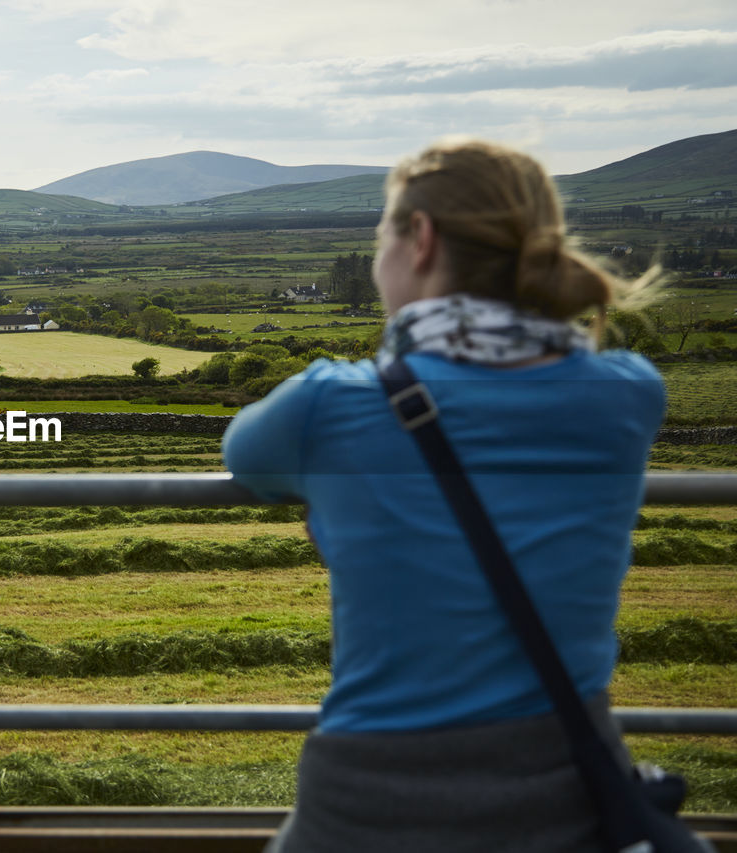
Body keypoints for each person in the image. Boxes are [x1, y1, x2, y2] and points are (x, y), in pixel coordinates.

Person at [223, 139, 701, 852]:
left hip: (371, 800)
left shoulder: (327, 405)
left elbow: (245, 457)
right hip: (568, 792)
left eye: (381, 231)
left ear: (419, 239)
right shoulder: (629, 394)